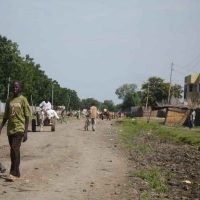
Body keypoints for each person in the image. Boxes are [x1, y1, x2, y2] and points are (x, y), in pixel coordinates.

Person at [0, 80, 31, 181]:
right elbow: (5, 116)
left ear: (20, 88)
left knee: (14, 149)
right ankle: (16, 172)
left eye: (17, 87)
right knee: (13, 151)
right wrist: (1, 127)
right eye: (13, 87)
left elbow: (27, 117)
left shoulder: (23, 99)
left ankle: (14, 173)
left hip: (19, 128)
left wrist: (25, 132)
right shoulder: (9, 101)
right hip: (10, 129)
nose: (14, 88)